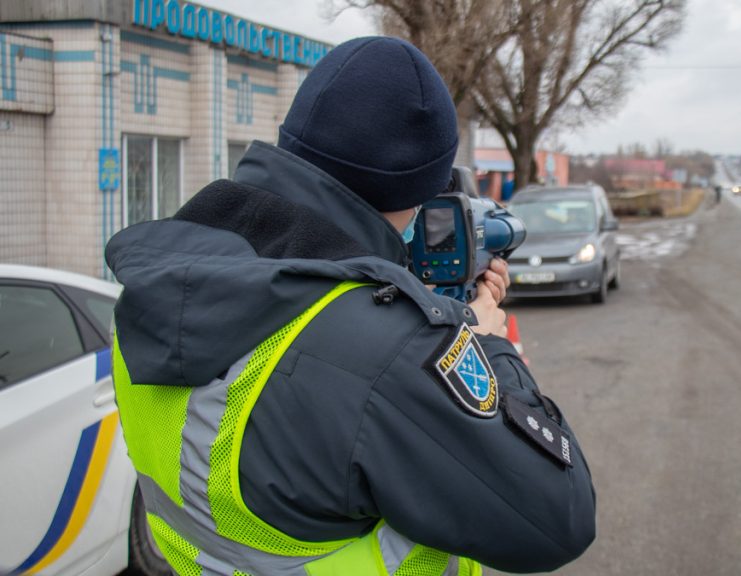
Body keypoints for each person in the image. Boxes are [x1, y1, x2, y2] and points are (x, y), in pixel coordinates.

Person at [106, 36, 595, 576]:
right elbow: (560, 519)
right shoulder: (386, 354)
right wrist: (483, 345)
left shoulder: (156, 290)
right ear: (419, 189)